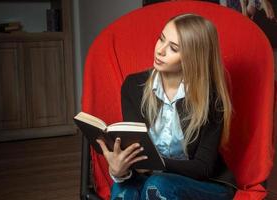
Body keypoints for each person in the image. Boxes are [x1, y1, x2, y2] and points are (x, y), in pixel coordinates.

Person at [96, 13, 237, 200]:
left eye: (173, 48)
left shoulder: (211, 98)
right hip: (149, 178)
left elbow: (203, 167)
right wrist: (118, 170)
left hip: (204, 184)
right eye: (161, 39)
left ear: (193, 58)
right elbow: (137, 152)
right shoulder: (133, 86)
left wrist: (155, 163)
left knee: (157, 186)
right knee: (124, 192)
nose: (160, 50)